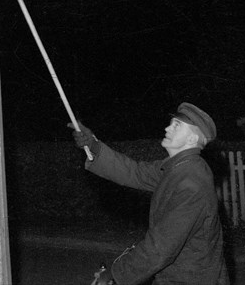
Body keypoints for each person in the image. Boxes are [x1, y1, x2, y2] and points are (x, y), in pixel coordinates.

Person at [69, 103, 229, 285]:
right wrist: (93, 144)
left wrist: (115, 275)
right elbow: (134, 172)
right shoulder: (179, 168)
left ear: (192, 139)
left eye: (177, 125)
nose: (168, 128)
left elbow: (160, 248)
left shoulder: (191, 183)